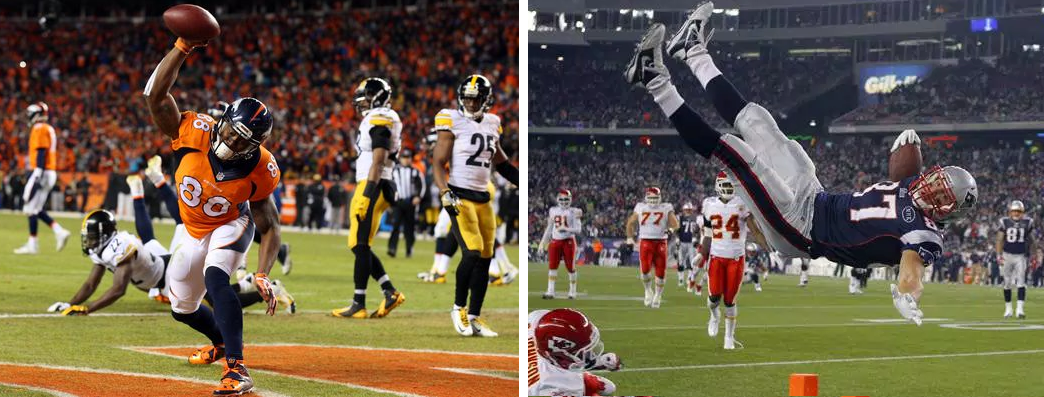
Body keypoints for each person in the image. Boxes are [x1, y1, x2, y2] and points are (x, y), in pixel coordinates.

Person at [627, 10, 977, 325]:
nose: (931, 186)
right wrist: (908, 146)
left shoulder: (925, 235)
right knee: (757, 121)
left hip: (803, 230)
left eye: (941, 192)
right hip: (815, 196)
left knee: (734, 152)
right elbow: (902, 170)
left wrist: (906, 293)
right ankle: (692, 50)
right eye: (938, 179)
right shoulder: (914, 188)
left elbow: (912, 270)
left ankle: (654, 79)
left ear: (948, 210)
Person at [144, 35, 284, 395]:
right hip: (192, 230)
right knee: (181, 307)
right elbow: (154, 97)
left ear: (257, 146)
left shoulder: (261, 168)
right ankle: (220, 342)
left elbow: (270, 226)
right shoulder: (193, 131)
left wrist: (263, 272)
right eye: (231, 133)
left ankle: (237, 368)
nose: (233, 143)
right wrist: (181, 46)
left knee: (217, 279)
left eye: (244, 141)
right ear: (221, 120)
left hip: (231, 224)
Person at [49, 175, 294, 317]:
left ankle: (268, 290)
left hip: (166, 274)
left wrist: (87, 309)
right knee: (158, 237)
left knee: (216, 299)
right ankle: (246, 282)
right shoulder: (106, 248)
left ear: (104, 234)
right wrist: (71, 303)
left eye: (91, 236)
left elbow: (117, 290)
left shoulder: (119, 247)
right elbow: (91, 283)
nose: (89, 242)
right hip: (157, 264)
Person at [432, 74, 519, 337]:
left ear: (486, 100)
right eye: (467, 99)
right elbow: (438, 162)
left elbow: (501, 162)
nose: (470, 104)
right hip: (459, 194)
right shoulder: (451, 120)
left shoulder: (493, 123)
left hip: (483, 197)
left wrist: (522, 180)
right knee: (471, 252)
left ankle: (475, 316)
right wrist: (444, 191)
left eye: (475, 99)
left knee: (485, 257)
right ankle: (458, 307)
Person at [331, 77, 406, 319]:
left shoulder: (380, 118)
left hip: (375, 183)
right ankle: (389, 291)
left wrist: (366, 193)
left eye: (365, 98)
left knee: (360, 243)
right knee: (358, 243)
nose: (361, 103)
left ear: (377, 97)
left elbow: (379, 158)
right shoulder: (378, 118)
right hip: (376, 182)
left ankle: (359, 302)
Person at [699, 172, 755, 349]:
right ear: (717, 185)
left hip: (736, 258)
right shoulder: (709, 204)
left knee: (730, 300)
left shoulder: (742, 203)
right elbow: (708, 234)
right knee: (714, 297)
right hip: (716, 256)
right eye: (725, 184)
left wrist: (768, 244)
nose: (728, 188)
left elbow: (754, 228)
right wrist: (702, 253)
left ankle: (729, 337)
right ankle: (714, 315)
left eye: (731, 185)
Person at [14, 102, 71, 255]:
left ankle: (33, 244)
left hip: (42, 171)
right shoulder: (48, 128)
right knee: (35, 209)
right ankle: (59, 232)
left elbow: (41, 151)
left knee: (29, 206)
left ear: (37, 114)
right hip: (49, 171)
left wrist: (37, 173)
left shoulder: (39, 128)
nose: (29, 117)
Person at [527, 308, 622, 396]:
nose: (588, 352)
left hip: (550, 369)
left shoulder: (537, 320)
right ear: (560, 353)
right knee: (608, 387)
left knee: (609, 387)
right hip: (553, 380)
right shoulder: (551, 385)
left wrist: (597, 363)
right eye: (582, 350)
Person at [625, 187, 679, 308]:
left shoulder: (666, 207)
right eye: (651, 198)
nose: (653, 201)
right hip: (645, 241)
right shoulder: (640, 207)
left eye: (655, 198)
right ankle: (648, 290)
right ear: (646, 198)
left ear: (660, 198)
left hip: (661, 242)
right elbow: (630, 222)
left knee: (660, 272)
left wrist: (670, 230)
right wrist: (629, 238)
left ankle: (658, 296)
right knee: (645, 270)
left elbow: (675, 223)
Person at [537, 189, 582, 300]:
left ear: (570, 199)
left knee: (570, 267)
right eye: (561, 199)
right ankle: (550, 291)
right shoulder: (553, 210)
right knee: (552, 266)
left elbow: (578, 229)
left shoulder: (574, 211)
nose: (564, 201)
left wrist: (565, 228)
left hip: (568, 241)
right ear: (557, 199)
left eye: (566, 199)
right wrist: (542, 243)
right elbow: (549, 227)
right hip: (555, 240)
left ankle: (572, 291)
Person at [996, 200, 1033, 318]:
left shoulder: (1028, 222)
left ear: (1022, 212)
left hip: (1021, 256)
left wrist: (1033, 254)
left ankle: (1020, 310)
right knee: (1007, 283)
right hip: (1007, 255)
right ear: (1010, 212)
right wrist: (998, 255)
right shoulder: (1004, 222)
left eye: (1018, 211)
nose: (1016, 213)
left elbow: (1032, 240)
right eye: (1014, 211)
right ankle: (1008, 309)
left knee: (1021, 282)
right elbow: (999, 239)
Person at [388, 149, 424, 257]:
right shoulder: (394, 171)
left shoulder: (416, 171)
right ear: (400, 158)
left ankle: (409, 249)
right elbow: (389, 186)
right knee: (395, 226)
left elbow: (422, 186)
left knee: (410, 228)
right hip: (398, 202)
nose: (406, 160)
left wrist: (418, 196)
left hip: (410, 202)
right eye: (404, 157)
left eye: (408, 158)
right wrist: (390, 200)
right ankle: (392, 248)